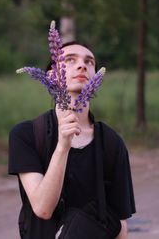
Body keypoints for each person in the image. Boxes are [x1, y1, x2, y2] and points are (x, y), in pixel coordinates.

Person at [9, 42, 136, 239]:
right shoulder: (27, 134)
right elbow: (43, 209)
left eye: (89, 62)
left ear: (96, 78)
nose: (82, 65)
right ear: (51, 75)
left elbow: (120, 225)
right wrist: (62, 146)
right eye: (69, 60)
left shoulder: (112, 143)